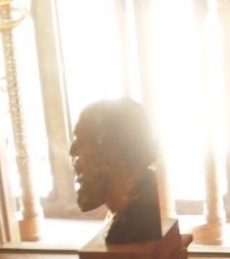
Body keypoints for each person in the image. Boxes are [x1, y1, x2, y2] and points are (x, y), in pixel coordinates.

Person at [69, 97, 162, 244]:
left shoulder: (133, 223)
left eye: (81, 142)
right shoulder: (130, 213)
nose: (72, 151)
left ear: (112, 153)